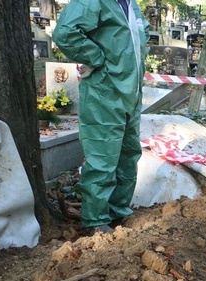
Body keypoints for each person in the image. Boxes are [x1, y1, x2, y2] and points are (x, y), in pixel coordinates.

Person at [53, 0, 149, 235]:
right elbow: (65, 32)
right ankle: (96, 222)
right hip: (103, 93)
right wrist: (95, 58)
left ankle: (118, 214)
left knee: (128, 156)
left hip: (131, 94)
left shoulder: (130, 4)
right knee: (102, 159)